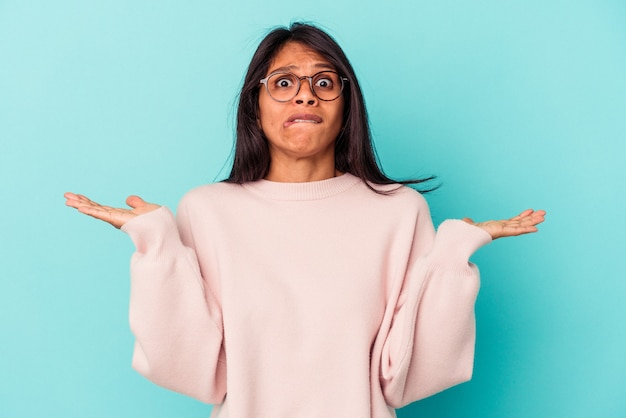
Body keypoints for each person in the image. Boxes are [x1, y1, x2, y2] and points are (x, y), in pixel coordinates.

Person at [65, 22, 545, 418]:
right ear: (255, 105)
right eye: (283, 82)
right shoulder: (207, 211)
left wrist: (453, 254)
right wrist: (157, 244)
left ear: (346, 104)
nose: (305, 97)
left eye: (323, 82)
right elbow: (192, 368)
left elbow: (409, 373)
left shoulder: (397, 210)